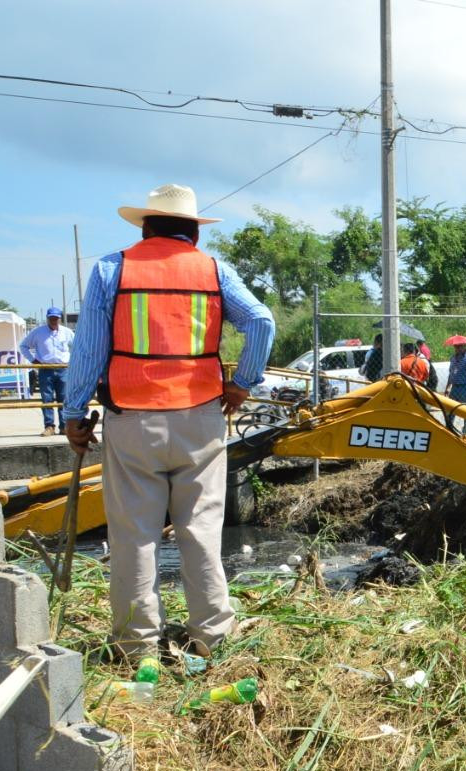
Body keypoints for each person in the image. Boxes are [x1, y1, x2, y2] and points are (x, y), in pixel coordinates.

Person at [63, 183, 275, 660]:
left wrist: (75, 412)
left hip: (132, 420)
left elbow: (89, 348)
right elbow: (261, 322)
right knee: (199, 529)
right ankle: (212, 639)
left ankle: (136, 646)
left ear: (145, 227)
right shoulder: (215, 270)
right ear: (193, 232)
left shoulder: (110, 270)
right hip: (201, 419)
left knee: (134, 535)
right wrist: (242, 382)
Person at [20, 306, 75, 436]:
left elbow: (77, 346)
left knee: (64, 399)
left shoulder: (67, 332)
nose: (54, 321)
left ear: (60, 319)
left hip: (63, 369)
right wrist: (33, 360)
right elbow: (23, 346)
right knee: (47, 399)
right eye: (51, 318)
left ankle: (64, 426)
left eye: (56, 318)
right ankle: (49, 426)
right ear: (47, 318)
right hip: (45, 369)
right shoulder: (38, 332)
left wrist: (72, 361)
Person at [443, 335, 466, 436]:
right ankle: (448, 430)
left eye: (459, 346)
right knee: (451, 410)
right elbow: (451, 374)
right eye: (456, 346)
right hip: (455, 388)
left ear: (464, 346)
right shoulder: (453, 358)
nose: (457, 348)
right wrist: (447, 388)